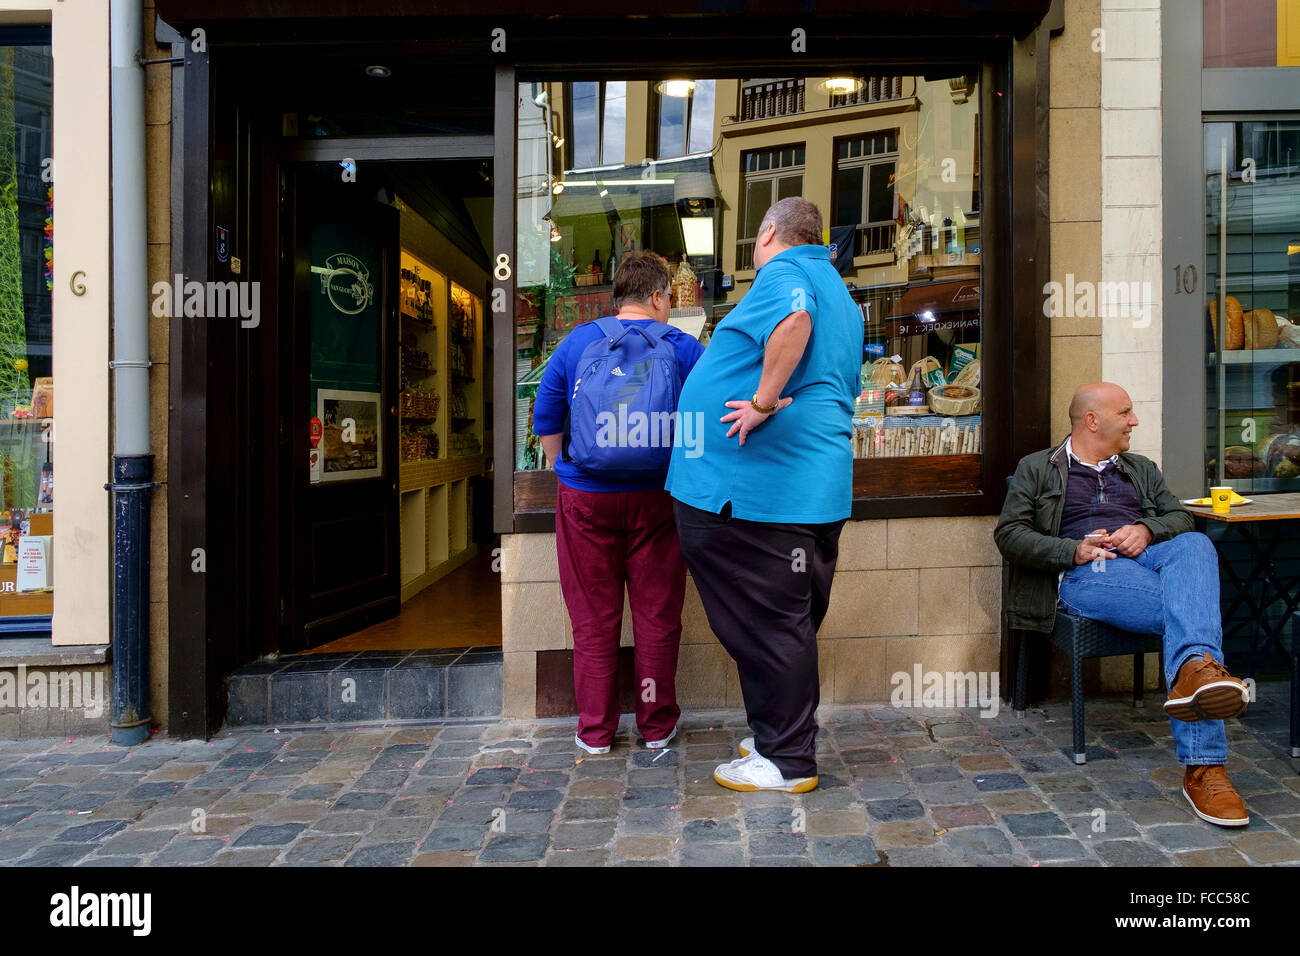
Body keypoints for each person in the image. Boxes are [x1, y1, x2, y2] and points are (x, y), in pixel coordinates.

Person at [665, 197, 864, 793]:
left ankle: (786, 760)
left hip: (757, 493)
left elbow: (794, 323)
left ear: (769, 232)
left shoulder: (787, 271)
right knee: (787, 621)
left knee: (772, 625)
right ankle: (782, 734)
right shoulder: (839, 288)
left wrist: (760, 402)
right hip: (806, 491)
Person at [995, 382, 1252, 827]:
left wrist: (1146, 530)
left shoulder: (1140, 468)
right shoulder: (1037, 468)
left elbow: (1180, 516)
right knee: (1189, 614)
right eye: (1126, 413)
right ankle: (1206, 765)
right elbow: (1009, 535)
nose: (1135, 421)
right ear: (1093, 421)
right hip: (1088, 571)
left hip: (1148, 557)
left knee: (1194, 544)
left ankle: (1194, 676)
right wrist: (1071, 550)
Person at [532, 250, 705, 754]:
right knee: (656, 616)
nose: (670, 307)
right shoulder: (683, 347)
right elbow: (708, 415)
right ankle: (656, 727)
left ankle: (596, 732)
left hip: (587, 502)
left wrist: (570, 467)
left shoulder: (577, 342)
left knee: (593, 619)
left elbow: (546, 418)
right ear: (655, 297)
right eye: (670, 298)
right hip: (656, 502)